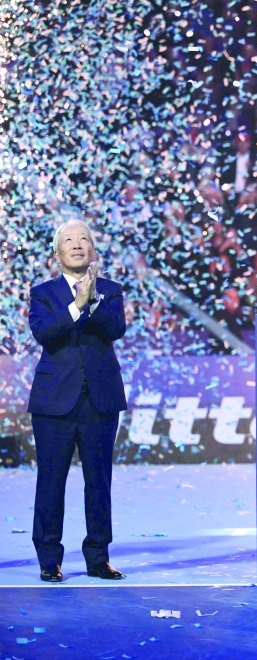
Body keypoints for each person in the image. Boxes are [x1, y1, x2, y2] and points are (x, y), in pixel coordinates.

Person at [28, 220, 128, 582]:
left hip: (100, 402)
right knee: (50, 481)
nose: (77, 244)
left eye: (83, 239)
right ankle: (49, 559)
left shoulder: (110, 290)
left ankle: (98, 558)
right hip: (54, 402)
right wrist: (76, 306)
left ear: (93, 251)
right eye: (68, 240)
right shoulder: (43, 293)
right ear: (57, 254)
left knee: (98, 482)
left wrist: (93, 301)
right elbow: (44, 333)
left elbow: (116, 329)